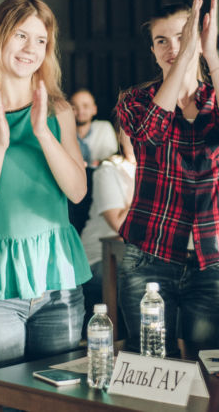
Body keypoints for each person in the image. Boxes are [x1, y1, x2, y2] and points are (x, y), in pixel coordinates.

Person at [0, 0, 91, 373]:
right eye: (21, 35)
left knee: (57, 397)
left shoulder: (60, 113)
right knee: (3, 397)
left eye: (41, 40)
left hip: (58, 282)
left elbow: (78, 192)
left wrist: (42, 134)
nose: (31, 48)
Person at [116, 0, 219, 359]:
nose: (174, 47)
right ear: (153, 50)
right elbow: (150, 133)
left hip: (217, 259)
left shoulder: (218, 96)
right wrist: (186, 57)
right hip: (149, 257)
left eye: (182, 36)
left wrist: (210, 55)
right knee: (149, 367)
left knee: (214, 369)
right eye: (162, 40)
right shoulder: (135, 100)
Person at [79, 125, 136, 324]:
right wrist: (147, 181)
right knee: (140, 278)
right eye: (131, 130)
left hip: (132, 256)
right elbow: (121, 226)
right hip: (98, 258)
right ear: (121, 136)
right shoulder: (109, 170)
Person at [69, 88, 118, 167]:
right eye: (74, 107)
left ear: (94, 109)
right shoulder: (64, 132)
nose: (80, 111)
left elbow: (111, 158)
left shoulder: (104, 128)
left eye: (85, 106)